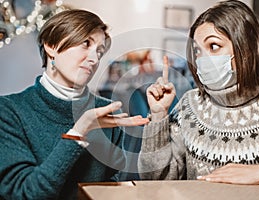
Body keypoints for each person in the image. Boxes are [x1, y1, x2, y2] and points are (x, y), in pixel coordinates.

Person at [138, 0, 259, 190]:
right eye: (197, 50)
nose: (202, 59)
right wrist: (158, 116)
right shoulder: (188, 106)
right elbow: (155, 180)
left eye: (213, 46)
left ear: (245, 49)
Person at [0, 9, 149, 200]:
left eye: (100, 51)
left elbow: (115, 189)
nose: (94, 59)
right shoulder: (9, 111)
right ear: (51, 46)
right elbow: (26, 194)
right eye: (85, 43)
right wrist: (78, 132)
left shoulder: (109, 112)